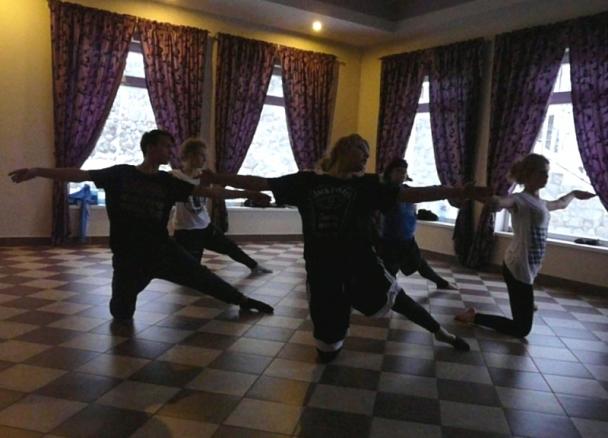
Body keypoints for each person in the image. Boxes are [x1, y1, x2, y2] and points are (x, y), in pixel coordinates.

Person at [198, 134, 491, 362]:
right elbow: (261, 181)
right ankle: (333, 340)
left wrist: (457, 191)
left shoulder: (368, 185)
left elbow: (410, 194)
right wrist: (217, 178)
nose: (366, 156)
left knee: (399, 300)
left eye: (368, 153)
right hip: (321, 269)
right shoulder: (306, 181)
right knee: (326, 350)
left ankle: (442, 333)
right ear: (343, 149)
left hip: (361, 263)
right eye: (361, 149)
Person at [9, 129, 274, 320]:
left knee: (202, 276)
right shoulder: (120, 174)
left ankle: (242, 300)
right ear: (150, 148)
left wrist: (247, 194)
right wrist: (38, 171)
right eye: (166, 146)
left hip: (162, 251)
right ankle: (126, 301)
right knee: (121, 313)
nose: (171, 152)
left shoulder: (168, 182)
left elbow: (209, 193)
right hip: (128, 258)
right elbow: (78, 174)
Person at [455, 154, 596, 338]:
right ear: (528, 175)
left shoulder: (541, 203)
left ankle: (526, 304)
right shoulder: (519, 199)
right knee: (521, 329)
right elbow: (498, 202)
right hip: (517, 265)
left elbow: (560, 204)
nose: (546, 177)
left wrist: (574, 194)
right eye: (542, 173)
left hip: (529, 265)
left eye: (547, 173)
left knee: (523, 307)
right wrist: (472, 194)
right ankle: (473, 317)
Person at [171, 138, 272, 276]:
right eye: (201, 155)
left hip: (205, 226)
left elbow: (219, 192)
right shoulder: (175, 176)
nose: (205, 159)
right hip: (186, 232)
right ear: (189, 155)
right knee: (191, 271)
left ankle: (254, 266)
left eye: (205, 155)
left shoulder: (205, 176)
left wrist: (249, 194)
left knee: (230, 247)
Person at [378, 158, 457, 290]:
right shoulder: (384, 191)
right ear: (389, 173)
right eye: (398, 171)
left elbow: (421, 197)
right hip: (389, 241)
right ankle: (390, 295)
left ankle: (441, 283)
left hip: (407, 239)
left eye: (404, 172)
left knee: (420, 264)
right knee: (390, 271)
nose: (401, 174)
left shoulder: (407, 190)